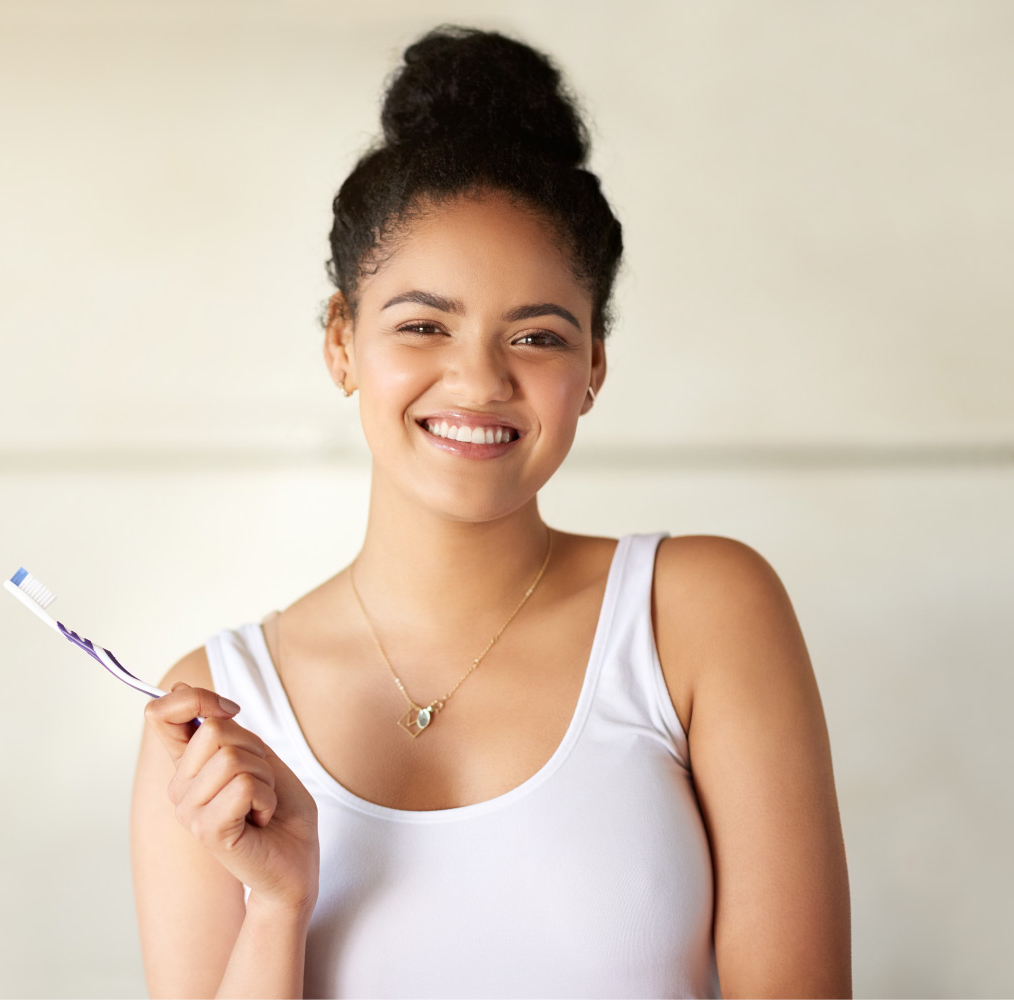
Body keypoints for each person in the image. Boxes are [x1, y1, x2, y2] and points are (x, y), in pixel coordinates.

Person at [130, 24, 851, 999]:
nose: (478, 380)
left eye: (539, 336)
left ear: (593, 365)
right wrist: (276, 907)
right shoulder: (218, 711)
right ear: (342, 341)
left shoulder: (700, 614)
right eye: (423, 325)